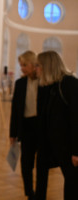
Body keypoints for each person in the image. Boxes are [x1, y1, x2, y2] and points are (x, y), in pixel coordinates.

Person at [36, 51, 78, 200]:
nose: (37, 69)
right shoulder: (54, 85)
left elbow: (76, 118)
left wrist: (76, 151)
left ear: (48, 66)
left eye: (39, 66)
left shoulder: (70, 83)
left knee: (73, 185)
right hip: (56, 147)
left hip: (69, 149)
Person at [10, 50, 39, 200]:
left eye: (25, 65)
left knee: (41, 164)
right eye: (21, 65)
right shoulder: (19, 83)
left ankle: (40, 192)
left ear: (33, 64)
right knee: (26, 164)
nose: (22, 68)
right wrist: (12, 134)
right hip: (26, 127)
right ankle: (30, 193)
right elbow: (14, 111)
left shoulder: (44, 81)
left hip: (41, 128)